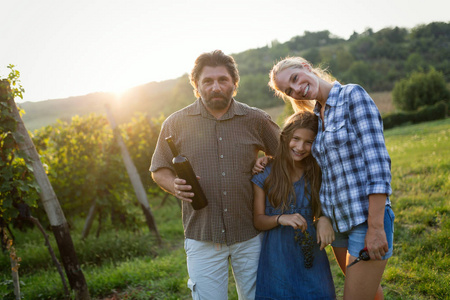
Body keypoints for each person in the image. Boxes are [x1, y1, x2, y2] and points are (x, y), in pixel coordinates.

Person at [150, 50, 280, 299]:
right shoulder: (175, 123)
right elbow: (159, 169)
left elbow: (288, 157)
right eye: (207, 81)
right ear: (197, 86)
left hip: (250, 234)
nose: (216, 86)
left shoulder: (256, 119)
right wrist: (174, 185)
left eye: (223, 80)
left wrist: (267, 160)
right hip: (202, 235)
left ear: (234, 83)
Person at [267, 56, 394, 300]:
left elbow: (378, 164)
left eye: (295, 78)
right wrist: (266, 160)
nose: (296, 89)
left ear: (305, 66)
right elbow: (312, 168)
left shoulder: (351, 96)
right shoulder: (316, 117)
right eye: (289, 90)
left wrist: (376, 228)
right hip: (338, 225)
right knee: (370, 292)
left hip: (365, 219)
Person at [252, 111, 336, 299]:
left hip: (311, 254)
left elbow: (324, 205)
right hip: (277, 257)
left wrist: (323, 218)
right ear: (285, 138)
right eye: (296, 139)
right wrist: (281, 218)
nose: (300, 147)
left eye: (309, 141)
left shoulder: (317, 171)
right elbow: (258, 220)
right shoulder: (265, 173)